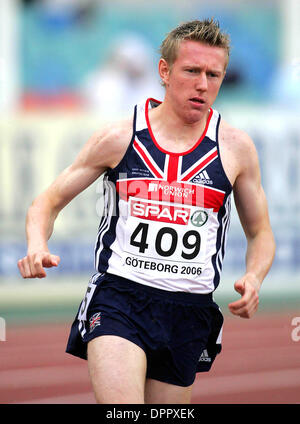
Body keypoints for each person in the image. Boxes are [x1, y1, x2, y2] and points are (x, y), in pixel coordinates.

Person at [18, 19, 276, 404]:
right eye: (192, 71)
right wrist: (37, 244)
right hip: (121, 296)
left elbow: (260, 232)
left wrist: (254, 277)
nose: (203, 85)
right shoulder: (121, 136)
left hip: (190, 308)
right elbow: (47, 202)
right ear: (164, 71)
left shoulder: (236, 147)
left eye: (213, 74)